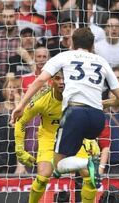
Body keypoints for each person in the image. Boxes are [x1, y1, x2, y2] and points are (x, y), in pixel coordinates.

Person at [11, 27, 119, 188]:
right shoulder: (102, 61)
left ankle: (88, 162)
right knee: (74, 163)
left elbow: (39, 81)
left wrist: (21, 104)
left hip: (75, 113)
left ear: (71, 43)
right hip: (97, 119)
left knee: (58, 166)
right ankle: (88, 164)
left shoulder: (64, 56)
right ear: (93, 45)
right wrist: (102, 104)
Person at [14, 71, 105, 203]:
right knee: (43, 176)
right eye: (58, 78)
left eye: (65, 78)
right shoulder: (42, 100)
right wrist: (20, 149)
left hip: (74, 136)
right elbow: (21, 120)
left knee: (89, 177)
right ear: (51, 81)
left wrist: (90, 139)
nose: (62, 82)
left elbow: (89, 118)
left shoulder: (79, 98)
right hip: (49, 138)